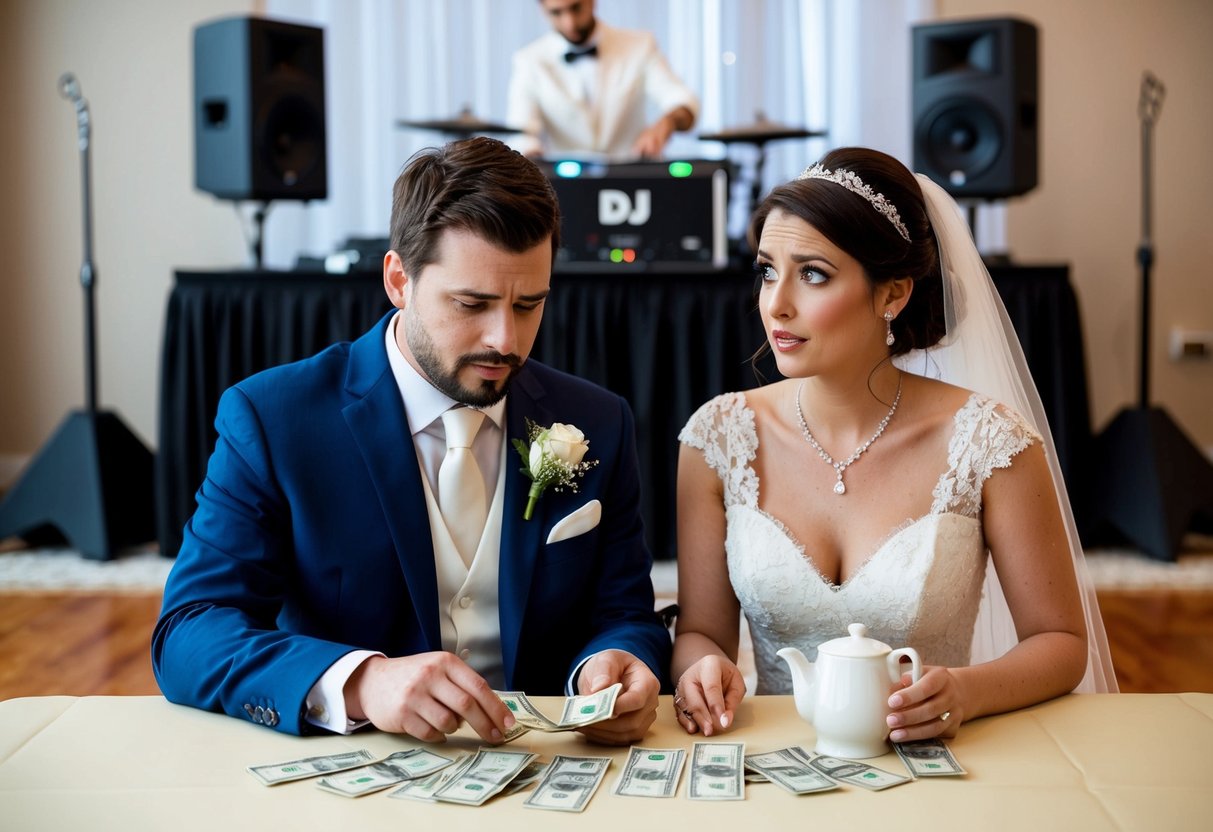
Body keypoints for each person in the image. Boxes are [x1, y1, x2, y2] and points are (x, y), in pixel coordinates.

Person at [152, 137, 669, 745]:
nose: (505, 338)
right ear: (399, 279)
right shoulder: (273, 419)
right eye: (471, 303)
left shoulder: (599, 420)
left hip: (554, 769)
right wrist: (359, 682)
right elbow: (190, 630)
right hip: (360, 770)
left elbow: (627, 614)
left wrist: (615, 661)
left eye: (529, 305)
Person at [670, 147, 1117, 741]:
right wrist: (700, 667)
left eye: (813, 273)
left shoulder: (991, 442)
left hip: (937, 758)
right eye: (767, 270)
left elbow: (1060, 643)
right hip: (776, 764)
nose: (775, 303)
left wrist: (967, 691)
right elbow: (701, 631)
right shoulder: (716, 438)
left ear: (893, 295)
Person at [507, 0, 698, 160]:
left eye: (576, 8)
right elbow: (522, 132)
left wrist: (667, 122)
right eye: (556, 13)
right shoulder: (528, 61)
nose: (569, 23)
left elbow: (682, 100)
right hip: (563, 190)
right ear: (543, 10)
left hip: (633, 180)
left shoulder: (639, 45)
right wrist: (532, 157)